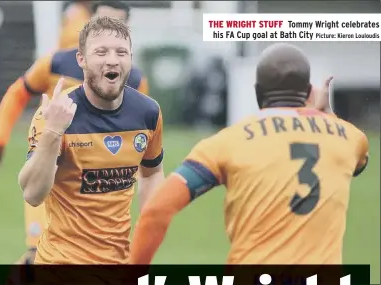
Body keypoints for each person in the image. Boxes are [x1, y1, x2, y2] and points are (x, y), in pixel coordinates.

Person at [129, 43, 369, 264]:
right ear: (308, 93)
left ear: (257, 93)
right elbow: (358, 164)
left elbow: (157, 210)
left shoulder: (227, 143)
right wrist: (328, 117)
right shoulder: (349, 138)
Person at [0, 1, 148, 264]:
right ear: (89, 23)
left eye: (118, 26)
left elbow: (139, 137)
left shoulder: (135, 82)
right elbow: (18, 92)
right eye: (103, 23)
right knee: (36, 254)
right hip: (51, 170)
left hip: (97, 189)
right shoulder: (56, 63)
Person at [18, 16, 165, 264]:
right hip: (60, 266)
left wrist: (148, 227)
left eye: (121, 52)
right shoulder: (56, 113)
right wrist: (53, 132)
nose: (112, 60)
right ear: (81, 60)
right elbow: (32, 193)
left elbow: (151, 172)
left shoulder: (148, 113)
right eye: (101, 52)